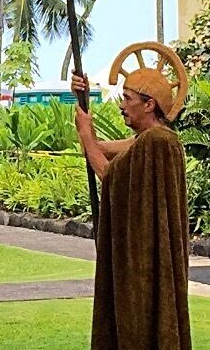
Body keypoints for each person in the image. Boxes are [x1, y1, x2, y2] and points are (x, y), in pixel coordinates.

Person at [70, 60, 190, 350]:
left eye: (127, 99)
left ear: (149, 105)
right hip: (144, 260)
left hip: (144, 265)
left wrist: (86, 134)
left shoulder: (156, 143)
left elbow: (107, 173)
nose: (122, 106)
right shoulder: (151, 141)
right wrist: (82, 100)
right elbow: (99, 150)